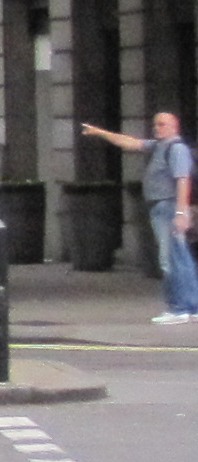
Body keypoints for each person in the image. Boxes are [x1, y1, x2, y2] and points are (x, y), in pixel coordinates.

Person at [84, 113, 198, 321]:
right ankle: (191, 307)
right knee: (180, 257)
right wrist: (100, 132)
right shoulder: (158, 146)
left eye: (162, 124)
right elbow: (130, 143)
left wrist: (181, 212)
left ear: (175, 127)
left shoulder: (176, 149)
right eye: (155, 124)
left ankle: (179, 308)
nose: (157, 127)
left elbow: (183, 180)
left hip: (168, 207)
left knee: (170, 259)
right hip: (164, 207)